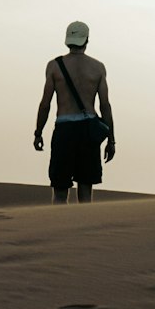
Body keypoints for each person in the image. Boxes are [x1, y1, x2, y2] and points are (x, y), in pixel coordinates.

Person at [34, 21, 116, 204]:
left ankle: (58, 229)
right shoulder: (98, 68)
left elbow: (45, 104)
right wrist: (111, 139)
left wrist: (38, 132)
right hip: (89, 132)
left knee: (60, 191)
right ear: (86, 39)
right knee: (86, 192)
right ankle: (82, 229)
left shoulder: (54, 66)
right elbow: (105, 106)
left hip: (64, 130)